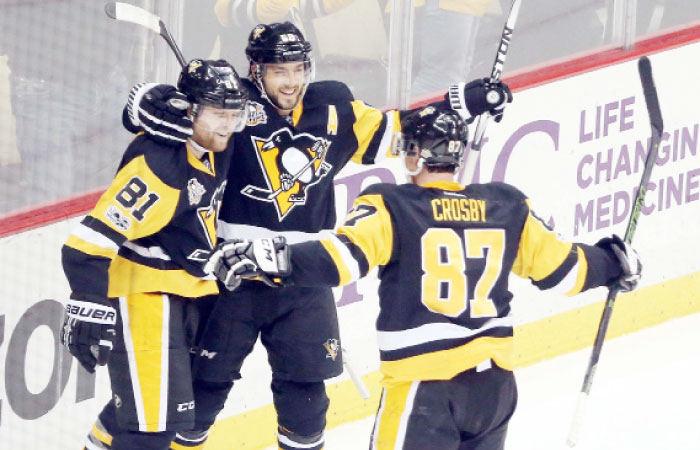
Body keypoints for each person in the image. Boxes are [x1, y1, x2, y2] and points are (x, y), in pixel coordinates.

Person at [123, 21, 512, 450]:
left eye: (297, 69)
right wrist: (144, 101)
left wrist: (464, 103)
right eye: (278, 71)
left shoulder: (335, 107)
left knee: (306, 408)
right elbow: (164, 117)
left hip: (303, 278)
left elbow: (403, 135)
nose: (291, 83)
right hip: (233, 277)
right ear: (255, 71)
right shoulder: (233, 105)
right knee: (198, 399)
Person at [205, 106, 642, 450]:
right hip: (495, 391)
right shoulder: (506, 205)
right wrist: (613, 262)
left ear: (415, 154)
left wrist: (271, 255)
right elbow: (565, 272)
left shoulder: (393, 205)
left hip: (425, 393)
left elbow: (343, 259)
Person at [60, 59, 249, 450]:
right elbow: (87, 242)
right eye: (217, 114)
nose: (227, 125)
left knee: (141, 409)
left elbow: (273, 94)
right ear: (188, 110)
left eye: (233, 114)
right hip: (146, 298)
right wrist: (88, 301)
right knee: (151, 429)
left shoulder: (216, 144)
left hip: (186, 292)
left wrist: (146, 100)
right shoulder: (159, 166)